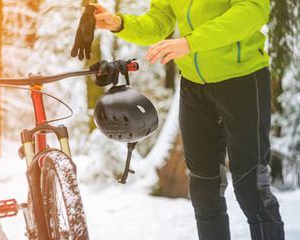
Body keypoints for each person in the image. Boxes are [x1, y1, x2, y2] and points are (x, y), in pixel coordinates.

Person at [87, 1, 285, 239]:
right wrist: (120, 23)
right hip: (194, 85)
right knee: (203, 187)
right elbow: (159, 21)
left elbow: (251, 11)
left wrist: (191, 43)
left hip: (243, 79)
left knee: (251, 186)